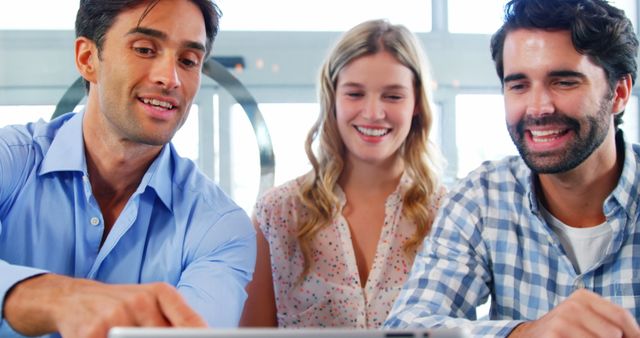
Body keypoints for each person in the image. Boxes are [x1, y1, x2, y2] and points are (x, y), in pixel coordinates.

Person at [385, 0, 640, 337]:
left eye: (564, 82)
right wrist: (526, 333)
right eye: (518, 85)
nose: (538, 107)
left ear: (619, 92)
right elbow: (408, 327)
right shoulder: (482, 198)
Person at [0, 1, 256, 337]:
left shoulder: (220, 225)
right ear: (87, 59)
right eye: (145, 49)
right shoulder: (11, 159)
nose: (171, 78)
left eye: (189, 61)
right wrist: (52, 298)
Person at [239, 19, 443, 328]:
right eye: (355, 94)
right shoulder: (278, 213)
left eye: (393, 96)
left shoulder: (448, 216)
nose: (373, 113)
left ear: (416, 103)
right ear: (332, 98)